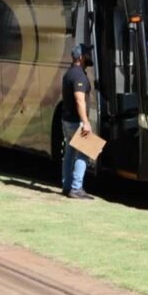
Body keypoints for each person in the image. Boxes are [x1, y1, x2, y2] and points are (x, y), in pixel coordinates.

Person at [61, 43, 94, 200]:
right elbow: (79, 100)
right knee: (85, 152)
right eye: (87, 54)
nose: (90, 56)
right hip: (76, 122)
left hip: (67, 120)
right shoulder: (79, 76)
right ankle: (76, 188)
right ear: (80, 58)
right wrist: (85, 122)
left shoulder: (68, 74)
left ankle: (67, 186)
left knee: (69, 152)